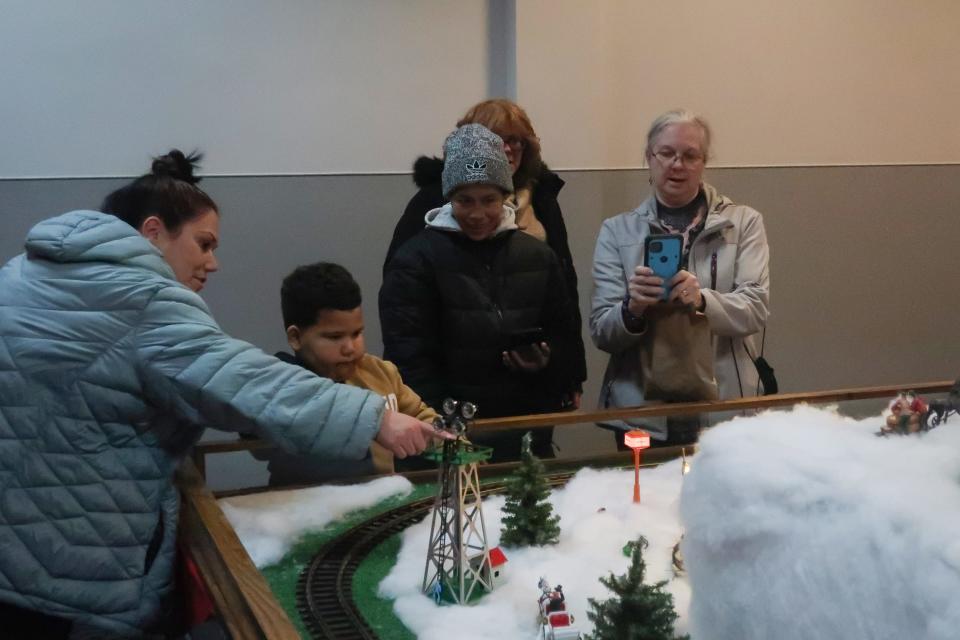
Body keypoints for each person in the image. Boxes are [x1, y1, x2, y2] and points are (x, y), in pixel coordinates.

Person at [0, 150, 445, 638]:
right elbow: (242, 380)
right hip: (78, 559)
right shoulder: (145, 300)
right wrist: (376, 419)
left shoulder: (23, 273)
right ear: (153, 232)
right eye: (204, 243)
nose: (213, 262)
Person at [380, 125, 584, 462]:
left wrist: (544, 361)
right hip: (446, 436)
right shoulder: (415, 260)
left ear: (505, 195)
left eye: (489, 200)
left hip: (523, 428)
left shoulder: (537, 255)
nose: (477, 214)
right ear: (448, 197)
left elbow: (564, 336)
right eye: (465, 200)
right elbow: (409, 359)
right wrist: (443, 428)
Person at [591, 109, 770, 444]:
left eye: (690, 155)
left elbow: (755, 309)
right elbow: (602, 331)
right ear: (649, 157)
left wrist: (703, 299)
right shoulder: (617, 231)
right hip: (642, 411)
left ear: (704, 162)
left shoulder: (743, 223)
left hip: (725, 407)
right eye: (667, 153)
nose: (677, 165)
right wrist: (632, 309)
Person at [253, 261, 439, 485]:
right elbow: (258, 445)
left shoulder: (380, 372)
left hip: (381, 497)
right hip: (303, 503)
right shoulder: (280, 384)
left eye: (357, 333)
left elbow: (422, 417)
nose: (350, 347)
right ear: (295, 337)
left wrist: (451, 442)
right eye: (334, 337)